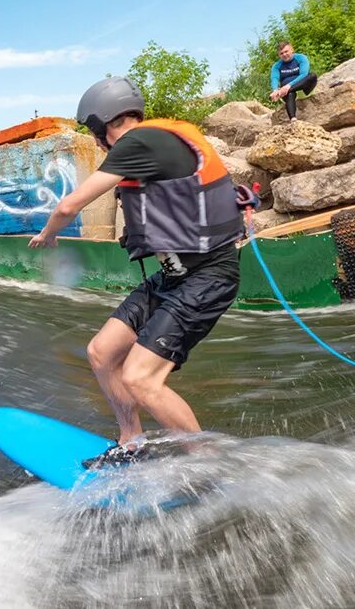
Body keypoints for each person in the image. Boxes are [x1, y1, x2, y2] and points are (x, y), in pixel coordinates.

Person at [29, 77, 256, 465]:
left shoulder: (137, 142)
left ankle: (208, 464)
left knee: (140, 377)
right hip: (173, 276)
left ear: (104, 122)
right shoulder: (154, 143)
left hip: (207, 276)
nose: (96, 139)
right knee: (101, 352)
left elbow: (69, 206)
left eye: (94, 130)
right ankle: (131, 440)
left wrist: (49, 234)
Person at [269, 41, 318, 120]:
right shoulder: (277, 66)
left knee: (312, 76)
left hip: (303, 88)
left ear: (292, 50)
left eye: (286, 51)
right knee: (290, 93)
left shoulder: (301, 58)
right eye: (281, 53)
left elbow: (304, 74)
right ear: (279, 55)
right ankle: (293, 119)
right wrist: (275, 90)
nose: (284, 54)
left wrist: (288, 86)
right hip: (288, 93)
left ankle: (284, 91)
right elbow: (274, 78)